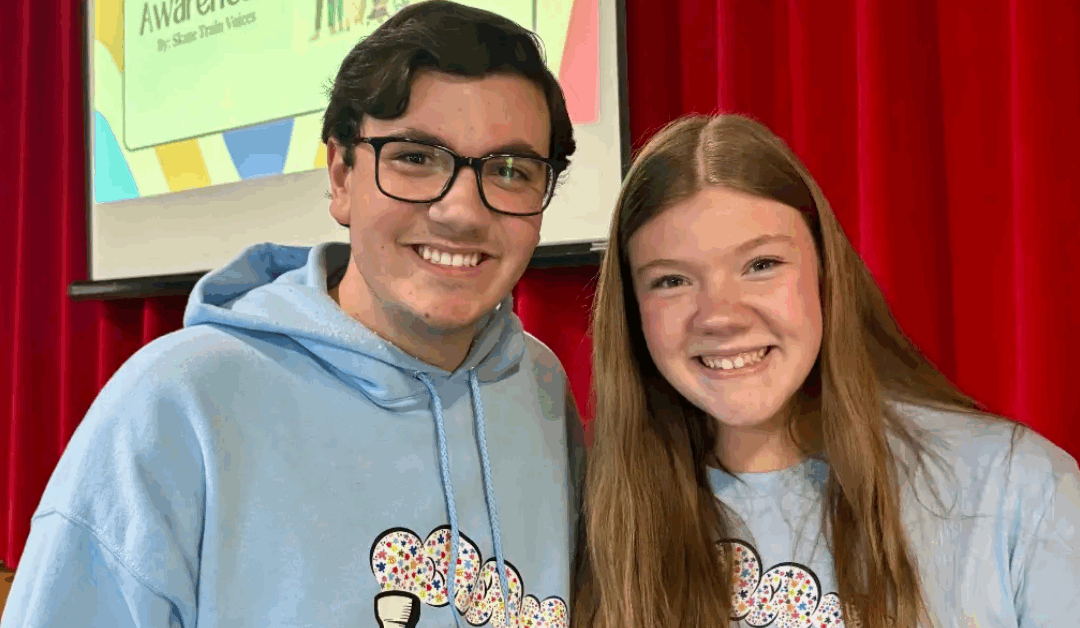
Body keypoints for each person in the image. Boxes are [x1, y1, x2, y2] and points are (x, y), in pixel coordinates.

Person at [2, 2, 586, 627]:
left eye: (511, 170)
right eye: (416, 158)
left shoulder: (538, 386)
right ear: (341, 175)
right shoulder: (176, 405)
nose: (463, 211)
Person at [573, 114, 1079, 628]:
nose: (720, 317)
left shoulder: (1014, 487)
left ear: (825, 271)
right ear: (632, 312)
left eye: (761, 265)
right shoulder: (597, 522)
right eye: (672, 281)